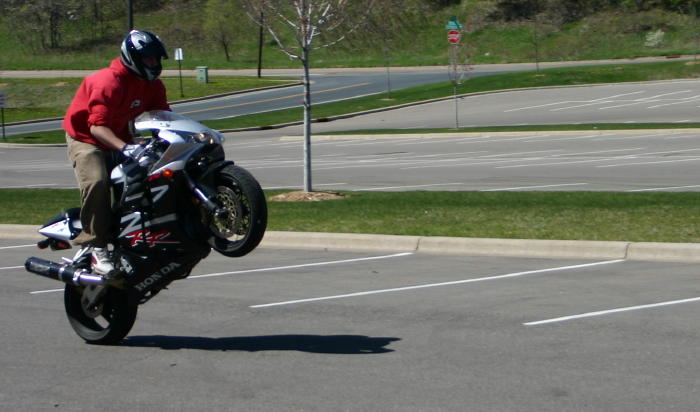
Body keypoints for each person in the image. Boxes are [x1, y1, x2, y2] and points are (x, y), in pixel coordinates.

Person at [62, 29, 171, 277]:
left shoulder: (152, 85)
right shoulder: (108, 82)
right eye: (149, 59)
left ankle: (135, 237)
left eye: (156, 58)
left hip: (120, 137)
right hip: (86, 138)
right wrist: (126, 147)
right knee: (98, 181)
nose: (154, 63)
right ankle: (94, 246)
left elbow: (163, 118)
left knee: (147, 178)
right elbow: (96, 127)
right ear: (133, 57)